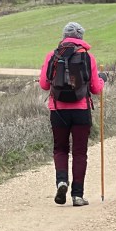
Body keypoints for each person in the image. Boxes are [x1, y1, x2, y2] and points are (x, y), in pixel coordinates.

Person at [39, 21, 105, 206]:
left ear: (63, 36)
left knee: (60, 149)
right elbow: (96, 88)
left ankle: (61, 181)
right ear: (81, 37)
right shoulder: (88, 57)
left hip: (58, 110)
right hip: (81, 110)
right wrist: (102, 80)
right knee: (79, 152)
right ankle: (77, 195)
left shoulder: (52, 55)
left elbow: (44, 85)